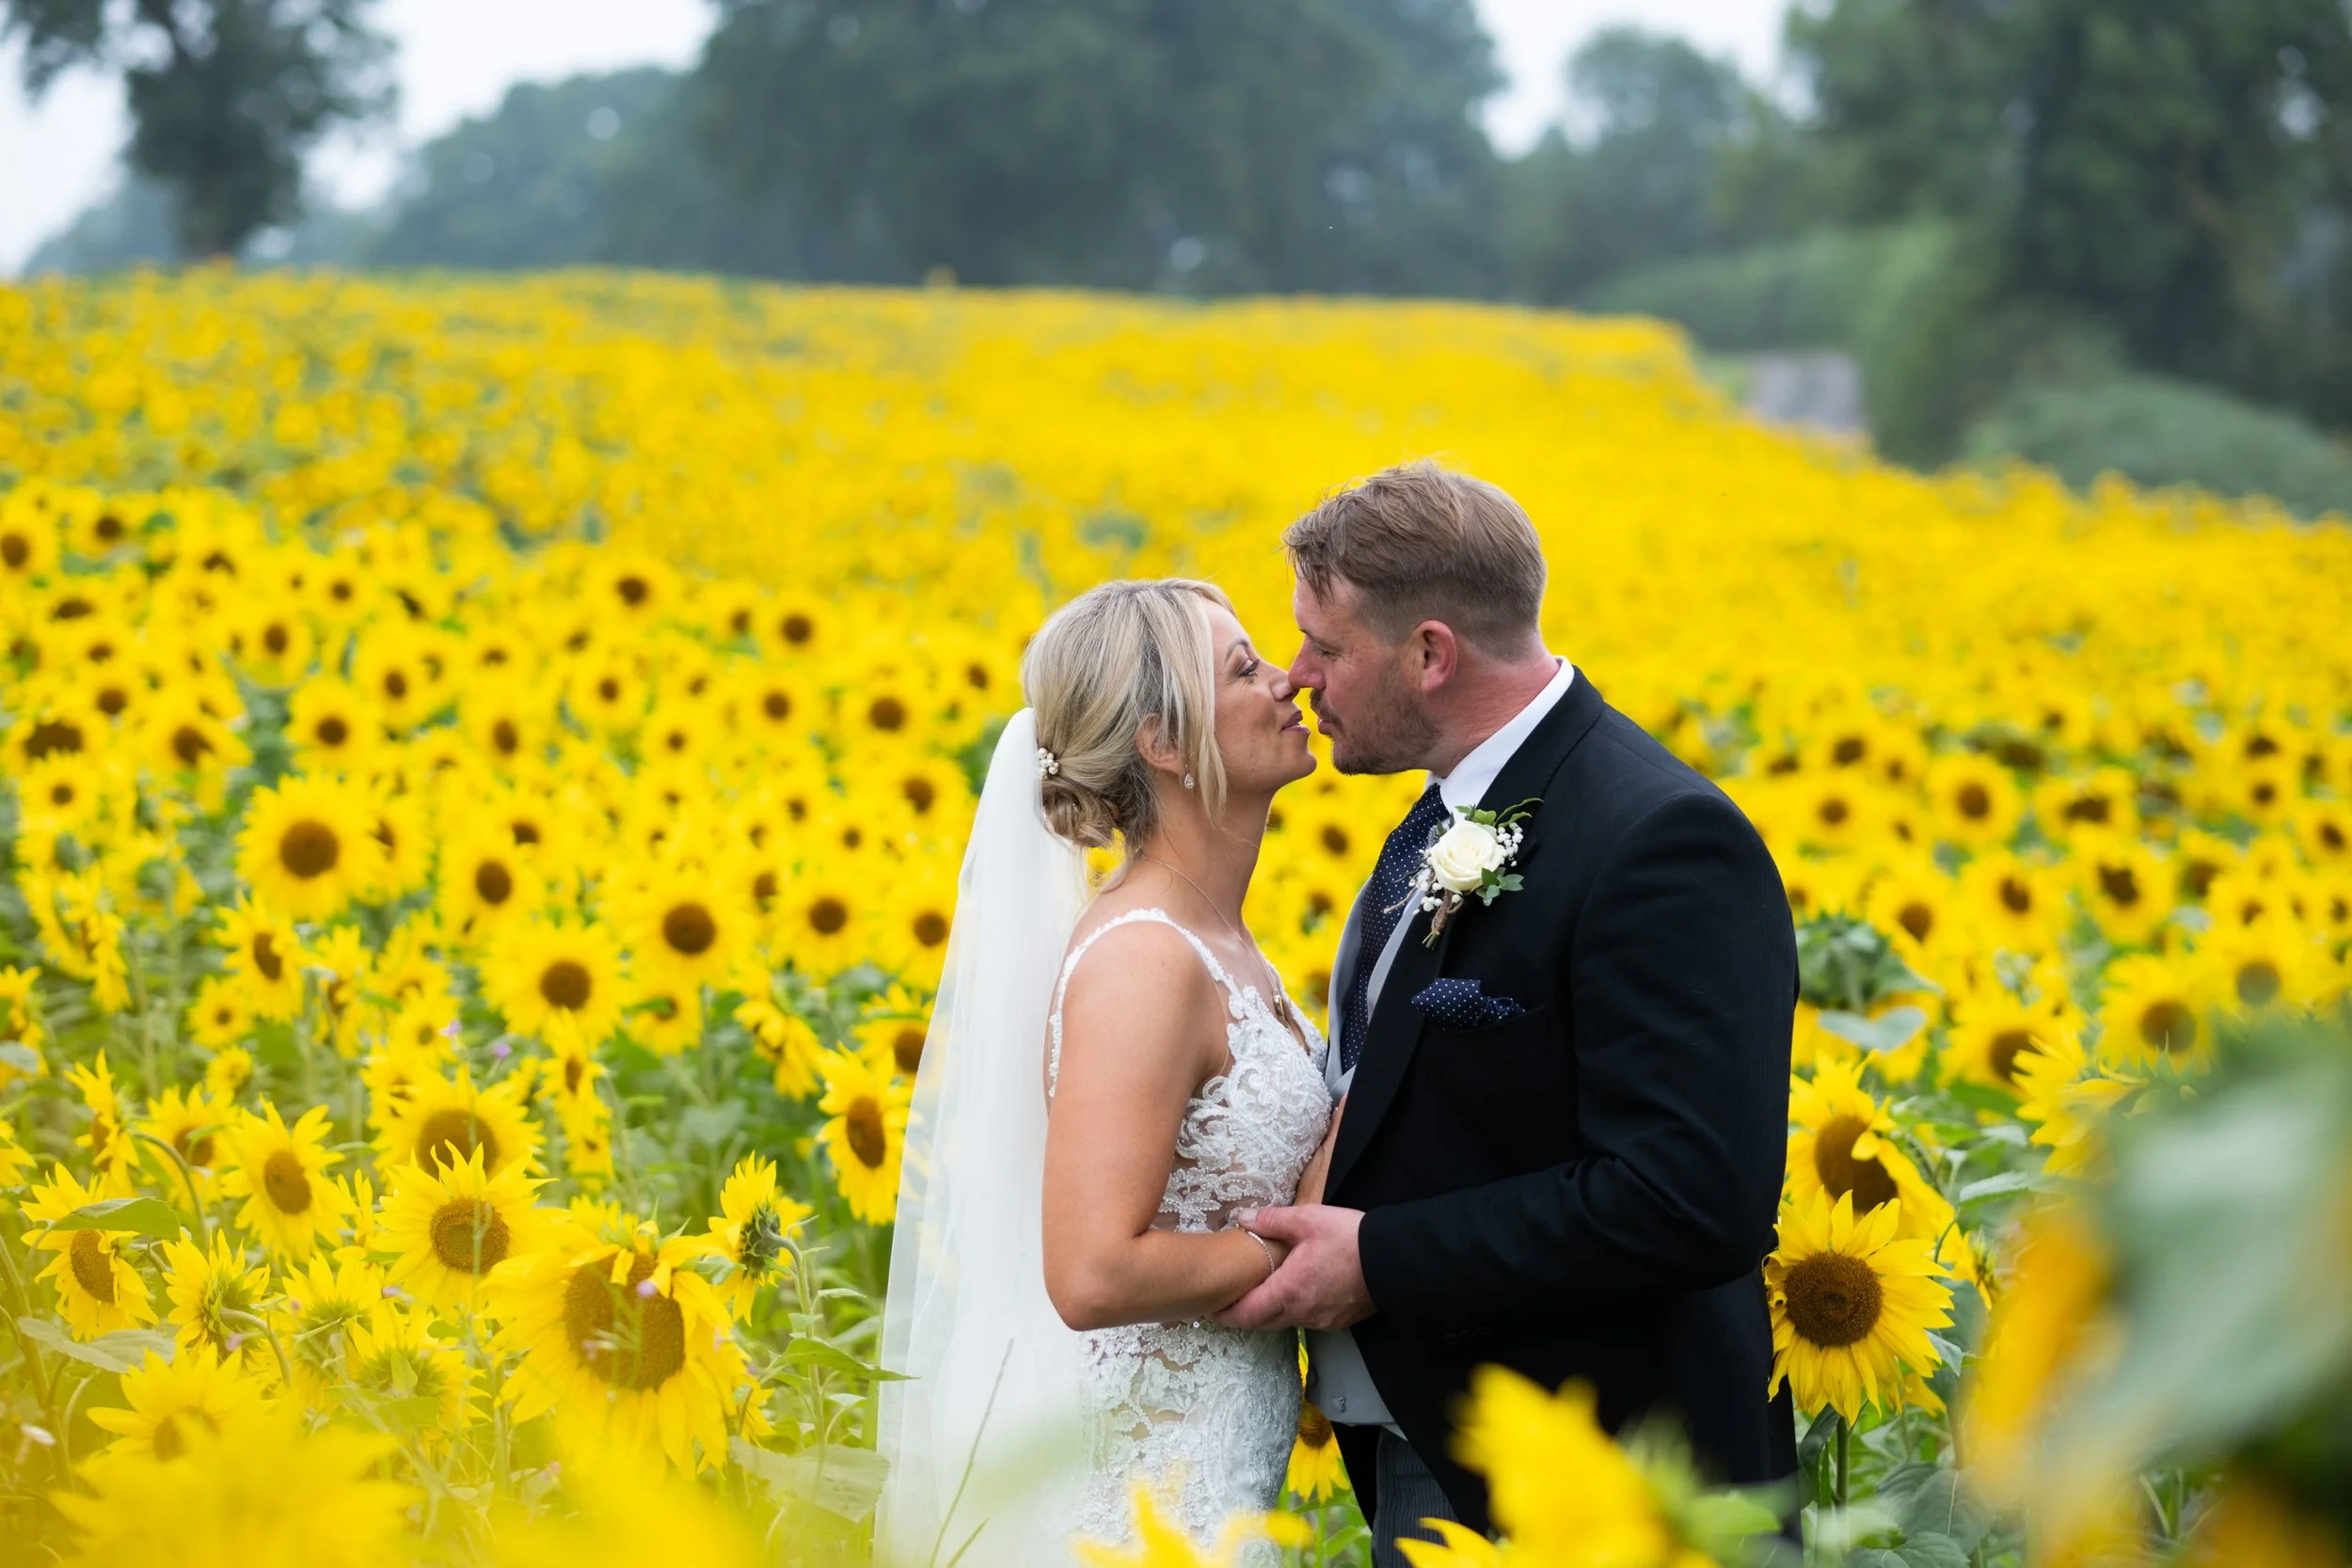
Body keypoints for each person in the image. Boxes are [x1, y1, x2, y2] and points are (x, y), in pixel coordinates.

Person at [1215, 462, 1800, 1566]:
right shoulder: (1442, 811)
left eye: (1325, 646)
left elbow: (1692, 1195)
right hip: (1450, 1450)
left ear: (1431, 653)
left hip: (1602, 1488)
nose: (1298, 677)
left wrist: (1383, 1256)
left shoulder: (1661, 840)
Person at [875, 578, 1338, 1565]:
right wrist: (1294, 1259)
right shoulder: (1143, 957)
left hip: (1211, 1471)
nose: (1288, 680)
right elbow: (1093, 1271)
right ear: (1164, 745)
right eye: (1243, 667)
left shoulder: (1219, 939)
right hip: (1140, 1496)